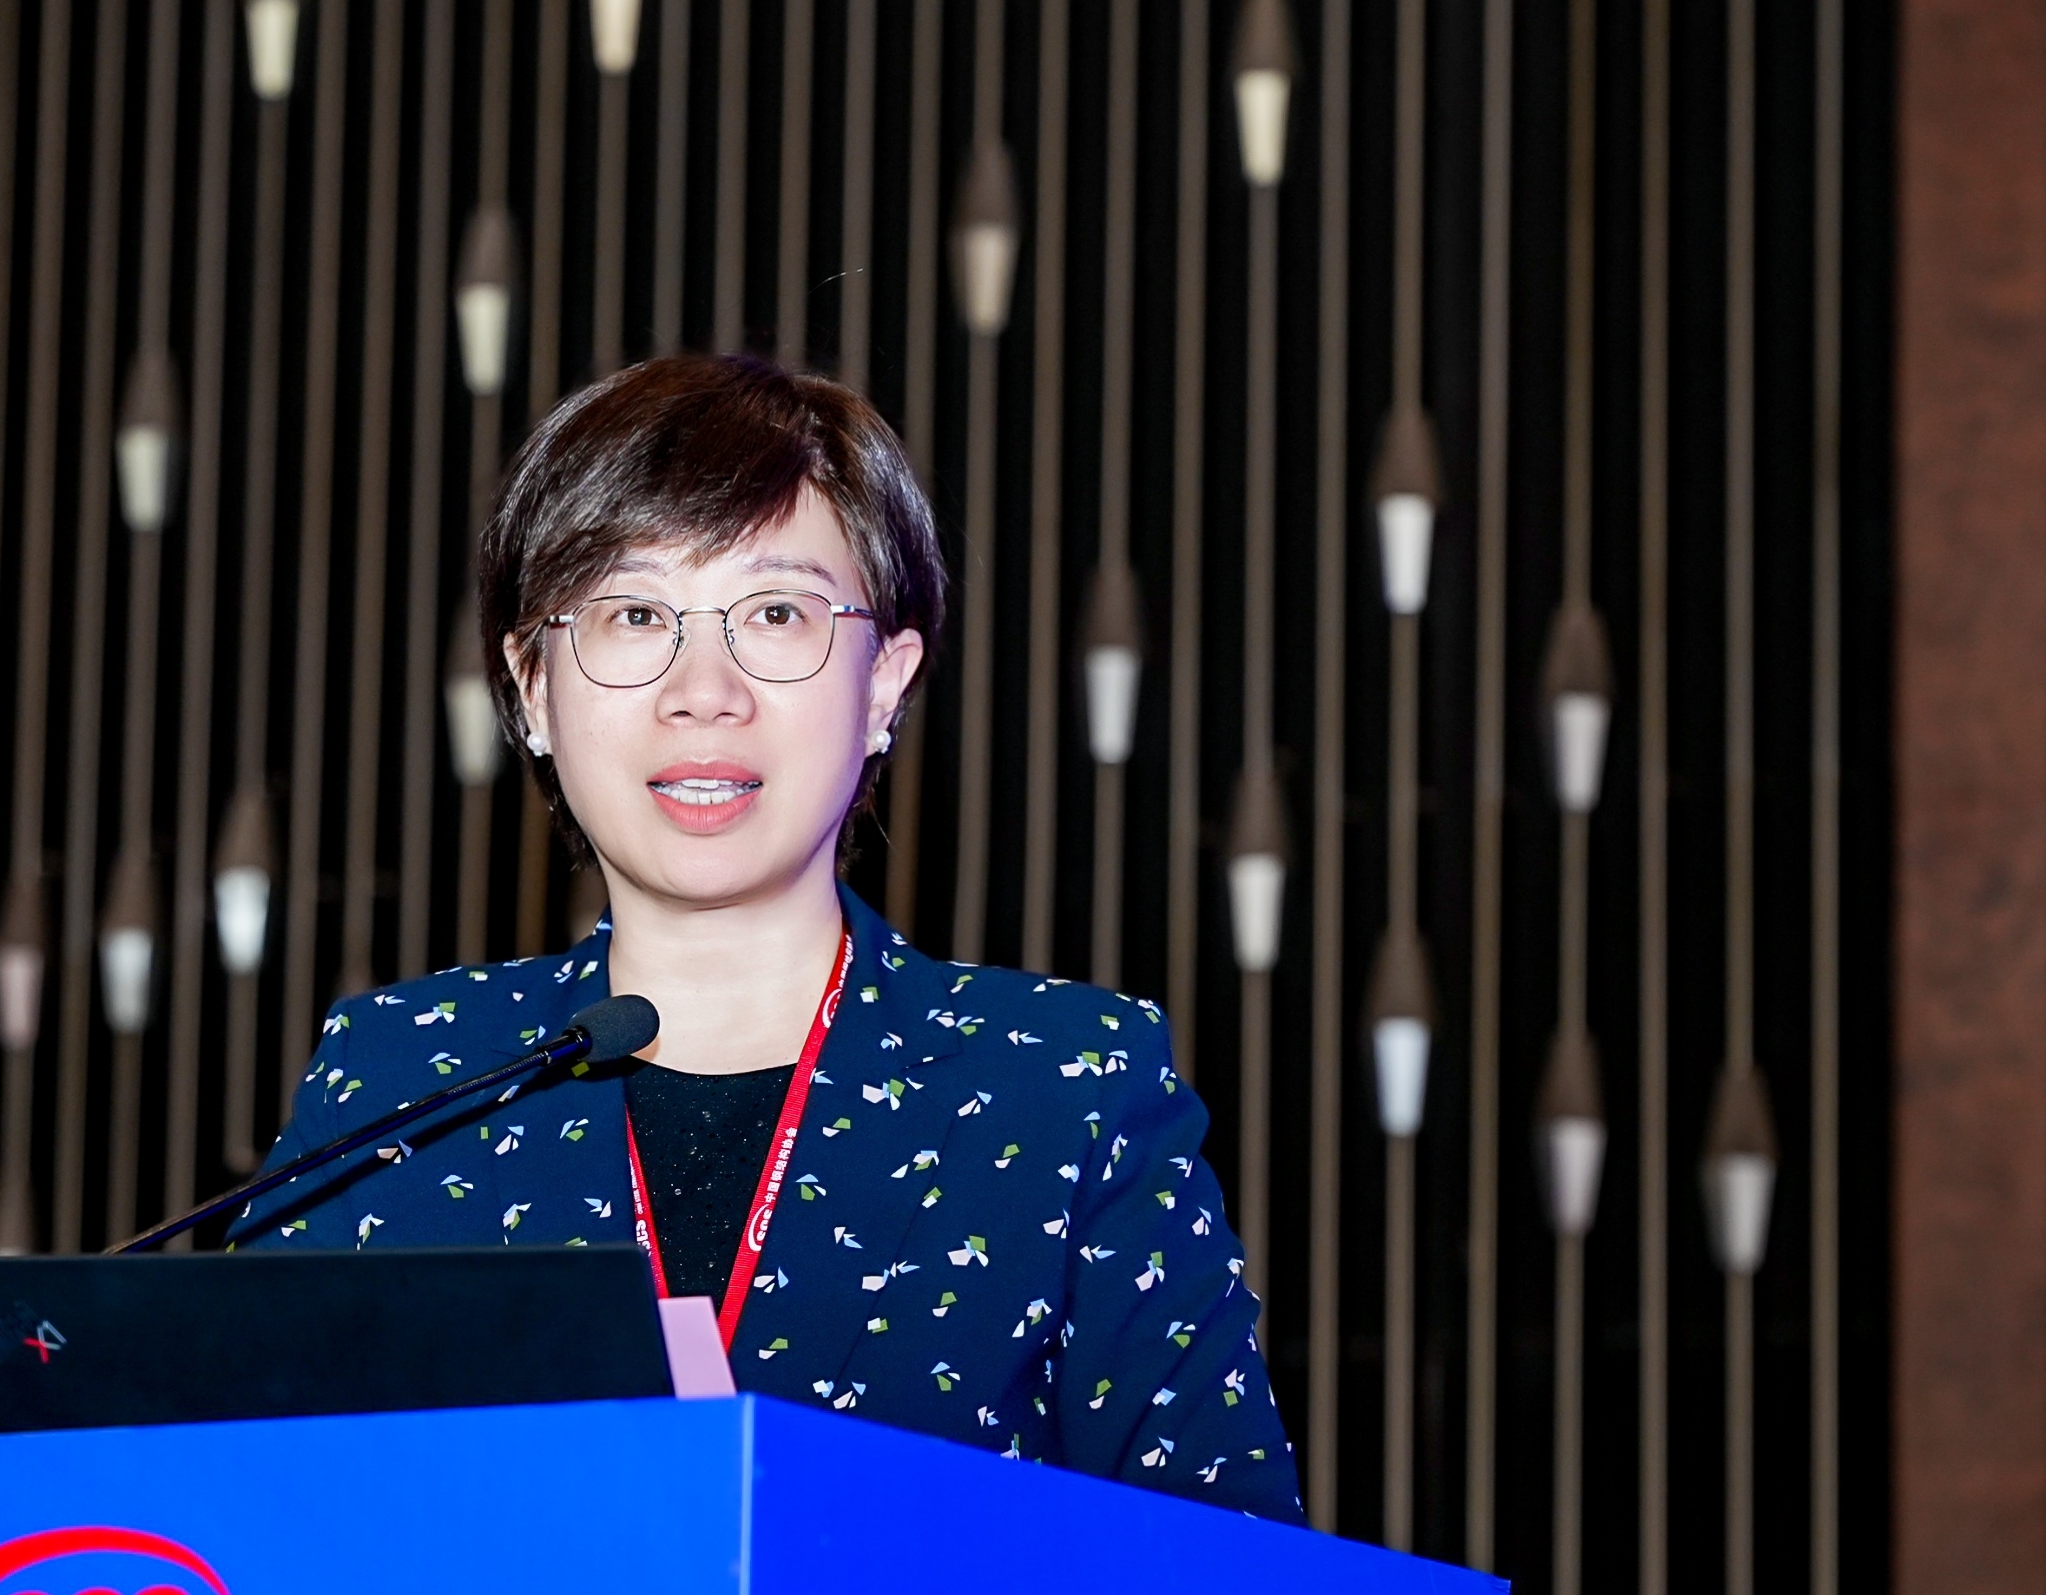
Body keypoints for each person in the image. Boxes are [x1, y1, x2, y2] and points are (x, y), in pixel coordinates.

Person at [239, 354, 1301, 1522]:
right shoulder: (402, 1078)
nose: (704, 690)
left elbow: (1236, 1576)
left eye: (777, 614)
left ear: (883, 682)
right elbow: (236, 1521)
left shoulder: (1062, 1088)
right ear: (533, 688)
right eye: (635, 615)